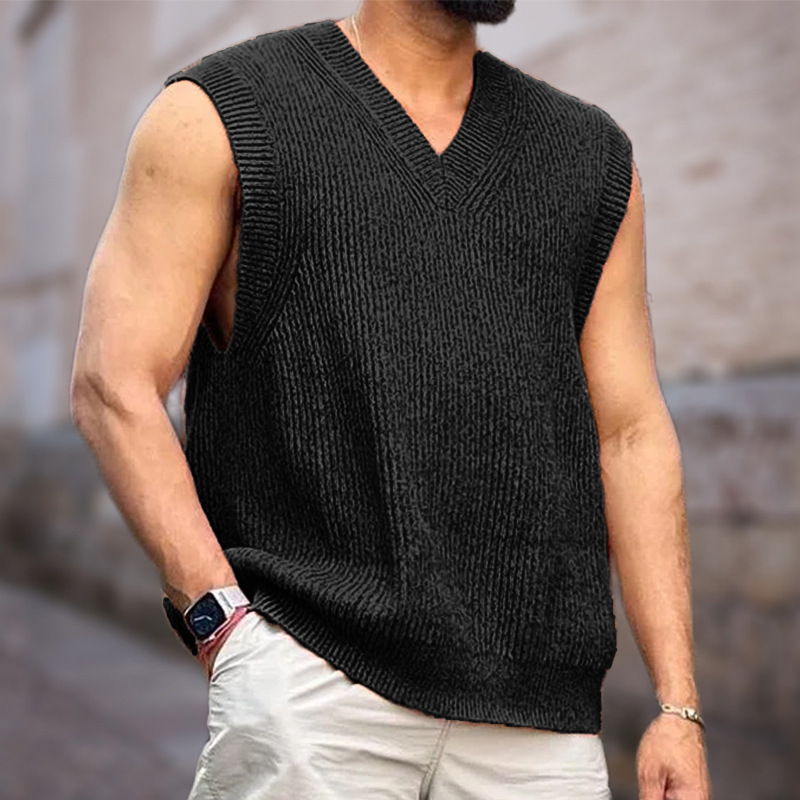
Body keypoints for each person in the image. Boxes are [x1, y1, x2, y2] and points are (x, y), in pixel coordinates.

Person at [69, 1, 711, 798]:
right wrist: (224, 629)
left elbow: (631, 432)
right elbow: (112, 382)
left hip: (540, 729)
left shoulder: (589, 157)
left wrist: (678, 704)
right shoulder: (221, 114)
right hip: (313, 696)